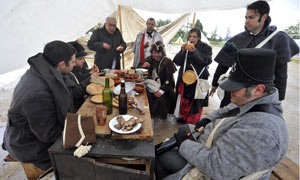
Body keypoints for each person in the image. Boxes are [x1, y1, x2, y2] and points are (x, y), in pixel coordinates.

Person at [155, 48, 289, 180]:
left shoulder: (262, 131)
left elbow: (216, 167)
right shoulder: (252, 102)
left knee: (159, 157)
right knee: (181, 131)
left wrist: (184, 143)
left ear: (258, 90)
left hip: (208, 168)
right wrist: (206, 120)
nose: (229, 92)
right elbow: (228, 109)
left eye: (235, 88)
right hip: (209, 144)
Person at [2, 40, 76, 170]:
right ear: (62, 64)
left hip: (32, 132)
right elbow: (48, 135)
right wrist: (74, 129)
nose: (75, 64)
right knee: (74, 158)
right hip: (27, 144)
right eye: (73, 62)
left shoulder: (44, 70)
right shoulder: (38, 94)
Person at [210, 0, 299, 107]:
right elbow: (223, 65)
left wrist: (278, 98)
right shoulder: (237, 39)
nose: (247, 21)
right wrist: (215, 84)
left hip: (259, 95)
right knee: (225, 120)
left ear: (264, 17)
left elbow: (281, 72)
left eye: (251, 17)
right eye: (246, 17)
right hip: (234, 92)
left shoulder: (278, 40)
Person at [173, 28, 212, 124]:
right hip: (185, 78)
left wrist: (195, 52)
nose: (192, 38)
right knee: (184, 99)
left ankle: (192, 121)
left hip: (198, 78)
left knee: (195, 99)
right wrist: (182, 52)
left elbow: (207, 61)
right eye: (190, 36)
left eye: (194, 36)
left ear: (199, 37)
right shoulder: (185, 47)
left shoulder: (205, 47)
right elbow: (177, 62)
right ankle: (183, 117)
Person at [138, 41, 176, 119]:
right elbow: (138, 69)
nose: (156, 55)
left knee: (161, 98)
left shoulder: (167, 61)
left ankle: (161, 114)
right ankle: (151, 114)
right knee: (145, 94)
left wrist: (161, 91)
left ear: (162, 53)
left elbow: (169, 80)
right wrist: (143, 66)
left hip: (165, 87)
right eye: (154, 52)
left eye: (158, 53)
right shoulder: (150, 59)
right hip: (153, 85)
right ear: (152, 52)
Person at [64, 41, 100, 113]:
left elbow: (80, 75)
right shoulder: (65, 73)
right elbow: (76, 91)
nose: (83, 61)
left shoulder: (74, 68)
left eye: (84, 58)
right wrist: (90, 77)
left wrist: (90, 72)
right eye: (80, 59)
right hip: (76, 109)